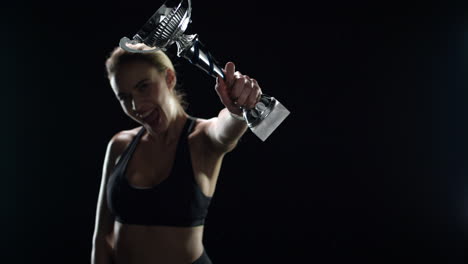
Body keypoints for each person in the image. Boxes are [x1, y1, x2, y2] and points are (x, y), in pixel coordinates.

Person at [91, 43, 262, 264]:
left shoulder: (201, 139)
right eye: (124, 97)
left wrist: (238, 111)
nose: (136, 106)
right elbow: (101, 237)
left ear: (169, 78)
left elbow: (225, 132)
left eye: (143, 86)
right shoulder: (120, 145)